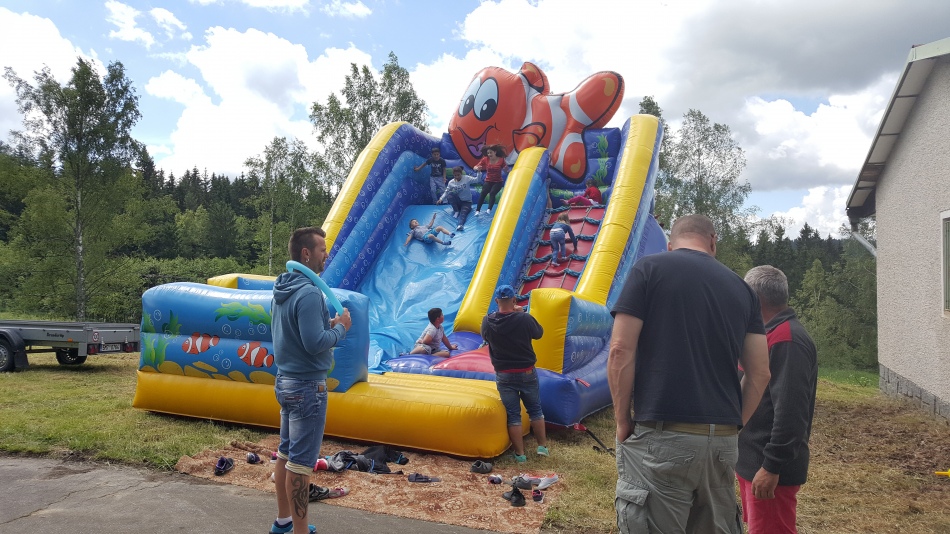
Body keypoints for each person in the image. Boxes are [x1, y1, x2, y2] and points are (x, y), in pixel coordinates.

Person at [607, 214, 771, 534]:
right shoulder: (743, 289)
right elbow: (760, 373)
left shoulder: (649, 269)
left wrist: (622, 419)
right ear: (713, 242)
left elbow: (620, 351)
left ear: (671, 245)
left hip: (663, 436)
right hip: (722, 443)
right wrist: (732, 426)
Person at [270, 227, 352, 534]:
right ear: (306, 254)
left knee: (285, 454)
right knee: (301, 464)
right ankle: (301, 532)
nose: (326, 255)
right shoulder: (309, 292)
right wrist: (341, 328)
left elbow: (298, 333)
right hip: (307, 388)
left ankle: (283, 522)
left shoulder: (283, 288)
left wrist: (325, 325)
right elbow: (315, 343)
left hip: (286, 381)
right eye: (322, 250)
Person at [737, 266, 818, 534]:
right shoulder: (765, 335)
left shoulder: (787, 340)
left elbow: (791, 413)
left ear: (754, 299)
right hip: (752, 461)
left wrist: (771, 466)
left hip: (769, 469)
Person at [481, 284, 549, 463]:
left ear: (497, 301)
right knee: (535, 409)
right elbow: (539, 333)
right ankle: (542, 447)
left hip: (504, 373)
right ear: (514, 300)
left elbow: (485, 337)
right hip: (526, 371)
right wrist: (522, 313)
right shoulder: (524, 318)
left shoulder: (487, 321)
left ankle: (520, 454)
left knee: (513, 415)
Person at [438, 166, 477, 231]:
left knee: (463, 213)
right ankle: (456, 211)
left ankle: (460, 225)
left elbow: (477, 180)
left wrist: (479, 172)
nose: (457, 177)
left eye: (458, 175)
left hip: (467, 202)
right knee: (450, 194)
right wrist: (441, 199)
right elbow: (446, 191)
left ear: (461, 173)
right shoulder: (451, 182)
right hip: (459, 201)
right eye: (455, 175)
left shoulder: (466, 178)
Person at [473, 145, 509, 215]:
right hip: (488, 181)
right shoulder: (485, 159)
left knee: (492, 193)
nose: (489, 154)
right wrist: (477, 168)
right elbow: (475, 167)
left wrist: (506, 170)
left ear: (495, 152)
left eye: (491, 152)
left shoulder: (501, 160)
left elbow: (506, 170)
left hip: (498, 182)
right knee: (483, 193)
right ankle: (477, 210)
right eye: (488, 153)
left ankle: (489, 209)